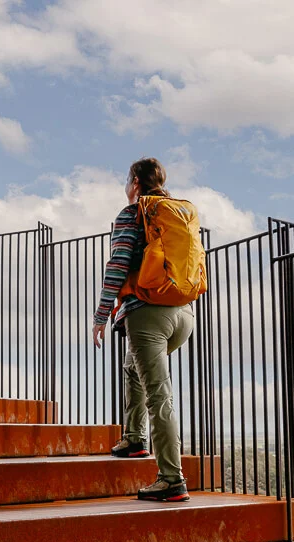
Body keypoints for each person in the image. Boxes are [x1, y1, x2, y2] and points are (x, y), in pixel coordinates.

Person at [92, 157, 198, 502]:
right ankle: (134, 438)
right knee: (132, 367)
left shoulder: (134, 213)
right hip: (183, 314)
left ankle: (171, 478)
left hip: (147, 315)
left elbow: (118, 264)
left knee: (159, 395)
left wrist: (101, 314)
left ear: (135, 183)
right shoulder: (175, 213)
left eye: (127, 180)